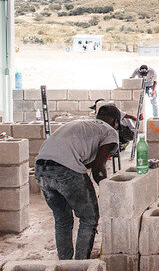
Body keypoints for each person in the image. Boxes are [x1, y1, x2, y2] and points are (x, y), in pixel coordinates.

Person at [35, 104, 131, 259]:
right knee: (89, 218)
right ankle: (81, 265)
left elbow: (87, 164)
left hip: (41, 170)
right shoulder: (109, 131)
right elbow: (98, 169)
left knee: (62, 219)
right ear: (115, 121)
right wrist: (109, 190)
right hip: (65, 170)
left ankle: (65, 264)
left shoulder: (82, 124)